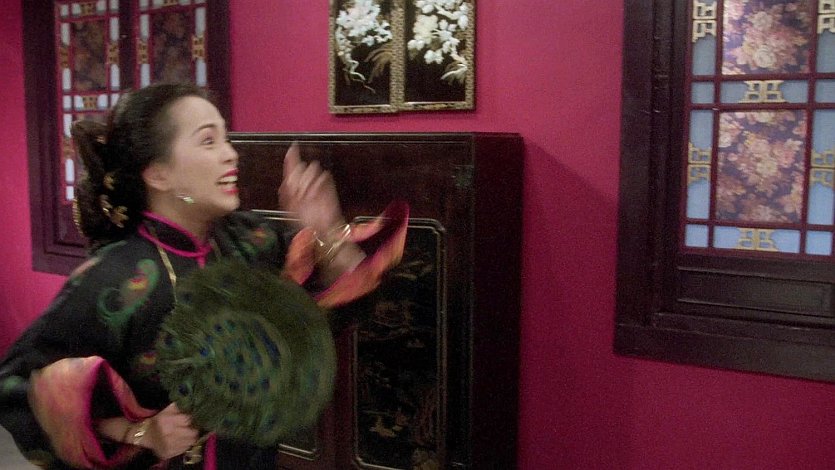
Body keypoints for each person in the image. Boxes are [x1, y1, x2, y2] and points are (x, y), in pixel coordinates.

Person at [0, 82, 407, 469]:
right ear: (158, 173)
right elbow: (14, 391)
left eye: (226, 139)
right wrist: (137, 431)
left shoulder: (252, 242)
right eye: (208, 141)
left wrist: (327, 231)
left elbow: (331, 311)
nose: (231, 155)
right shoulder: (117, 277)